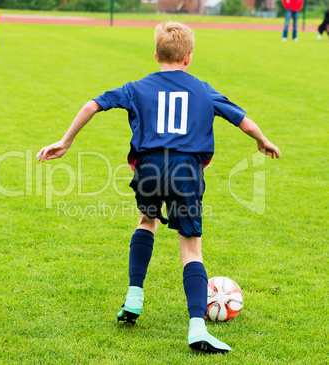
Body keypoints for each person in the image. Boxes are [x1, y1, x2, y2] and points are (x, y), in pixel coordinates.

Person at [36, 21, 281, 354]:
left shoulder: (137, 87)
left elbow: (93, 103)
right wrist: (263, 141)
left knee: (146, 221)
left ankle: (134, 298)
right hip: (187, 171)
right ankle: (197, 328)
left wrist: (65, 141)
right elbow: (244, 121)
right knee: (191, 248)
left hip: (149, 167)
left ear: (156, 54)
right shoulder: (202, 89)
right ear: (188, 57)